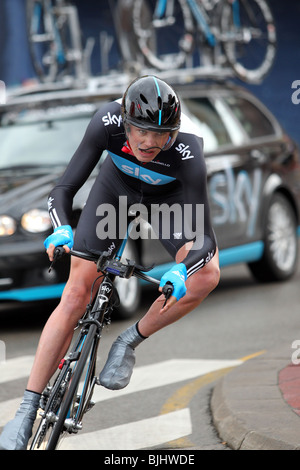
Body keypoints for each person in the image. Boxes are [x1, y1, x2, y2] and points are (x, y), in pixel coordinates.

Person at [0, 75, 220, 450]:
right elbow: (63, 189)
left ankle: (129, 341)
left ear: (174, 132)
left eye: (161, 133)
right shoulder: (106, 123)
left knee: (208, 275)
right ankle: (25, 409)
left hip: (168, 200)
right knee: (74, 296)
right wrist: (61, 229)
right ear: (125, 121)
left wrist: (183, 268)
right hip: (115, 193)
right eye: (141, 131)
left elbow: (204, 239)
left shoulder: (188, 154)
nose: (150, 142)